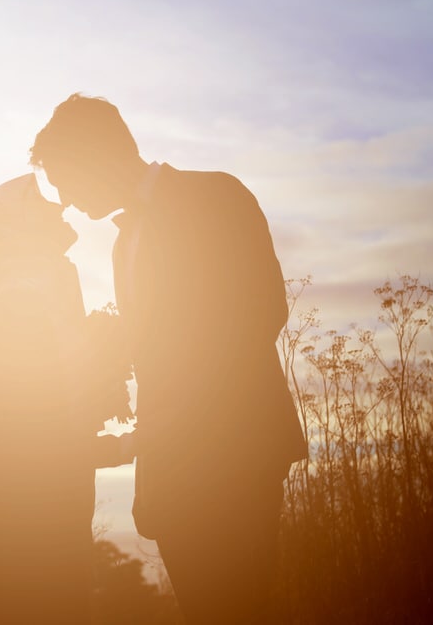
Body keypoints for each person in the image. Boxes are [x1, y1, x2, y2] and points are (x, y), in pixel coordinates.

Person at [29, 94, 308, 624]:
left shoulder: (216, 195)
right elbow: (156, 352)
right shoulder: (122, 242)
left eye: (64, 178)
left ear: (94, 155)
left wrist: (155, 434)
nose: (63, 199)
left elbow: (259, 314)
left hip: (234, 461)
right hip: (175, 477)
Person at [0, 172, 134, 625]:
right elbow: (36, 437)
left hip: (37, 523)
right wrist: (125, 446)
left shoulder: (26, 300)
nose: (62, 212)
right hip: (31, 532)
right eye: (44, 210)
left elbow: (48, 410)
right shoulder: (19, 306)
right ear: (20, 237)